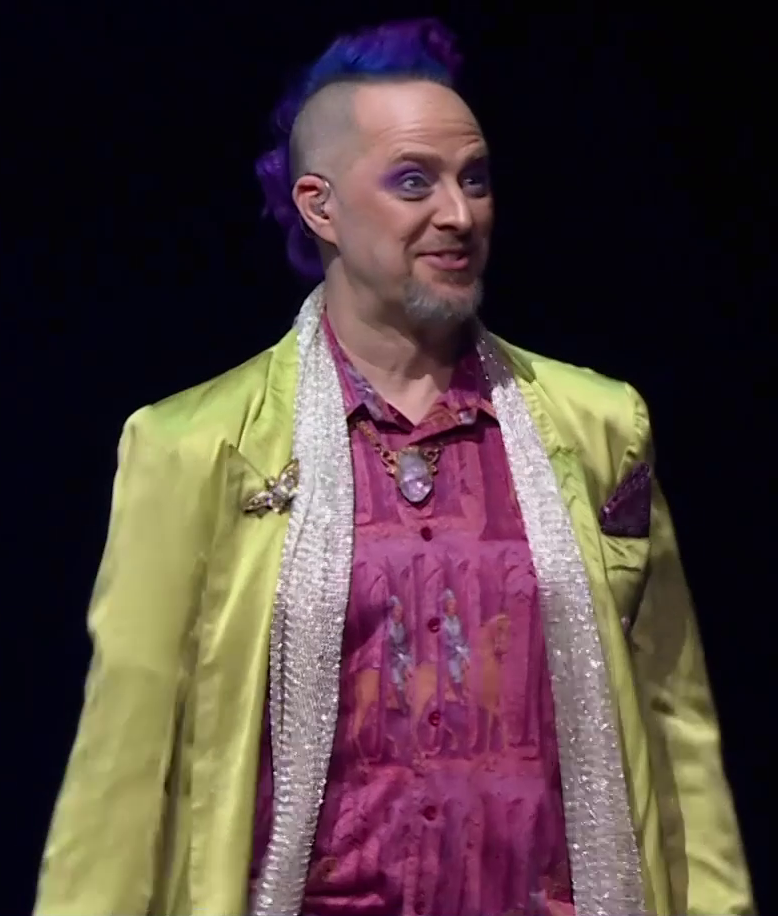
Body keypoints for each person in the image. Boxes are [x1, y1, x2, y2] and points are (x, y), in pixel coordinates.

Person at [34, 18, 754, 916]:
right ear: (319, 205)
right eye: (415, 181)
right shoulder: (193, 446)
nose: (459, 214)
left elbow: (674, 720)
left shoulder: (599, 423)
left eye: (475, 179)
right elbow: (124, 766)